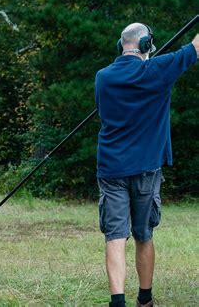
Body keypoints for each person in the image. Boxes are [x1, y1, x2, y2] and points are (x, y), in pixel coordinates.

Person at [95, 23, 198, 307]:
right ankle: (145, 299)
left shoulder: (102, 77)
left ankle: (117, 301)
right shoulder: (158, 70)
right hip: (146, 169)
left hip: (110, 169)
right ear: (145, 46)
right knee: (143, 234)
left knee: (115, 237)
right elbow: (196, 47)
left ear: (121, 45)